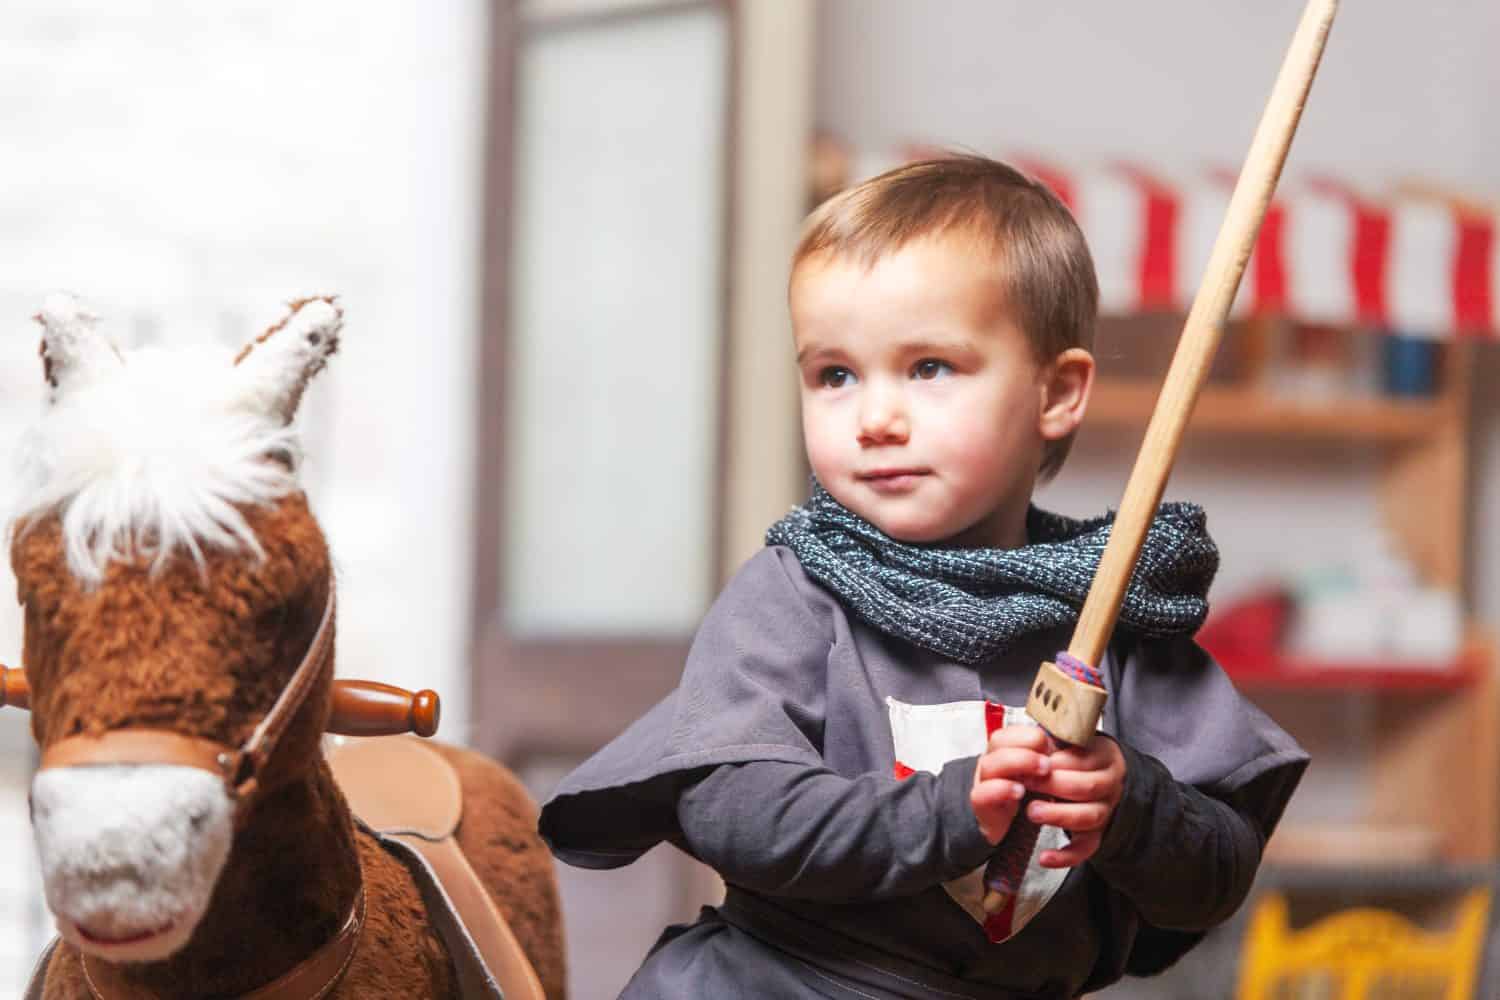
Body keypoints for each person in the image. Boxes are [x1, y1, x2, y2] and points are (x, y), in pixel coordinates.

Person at [539, 155, 1307, 999]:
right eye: (835, 374)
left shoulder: (1119, 612)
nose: (874, 418)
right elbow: (733, 812)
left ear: (1057, 392)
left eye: (929, 367)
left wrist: (1128, 808)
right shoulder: (796, 591)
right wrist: (946, 814)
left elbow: (1217, 875)